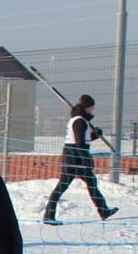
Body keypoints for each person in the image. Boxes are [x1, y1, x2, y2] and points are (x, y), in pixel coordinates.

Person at [43, 93, 116, 225]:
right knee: (63, 185)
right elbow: (79, 143)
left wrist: (95, 135)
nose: (93, 110)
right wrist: (86, 159)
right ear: (86, 107)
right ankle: (48, 215)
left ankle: (103, 210)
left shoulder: (82, 121)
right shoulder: (79, 121)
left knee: (91, 181)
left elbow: (84, 139)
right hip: (74, 156)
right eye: (92, 107)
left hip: (75, 154)